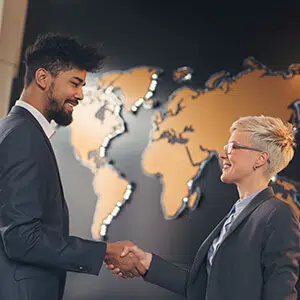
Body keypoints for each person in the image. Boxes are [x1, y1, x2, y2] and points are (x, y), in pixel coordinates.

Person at [0, 33, 145, 300]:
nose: (80, 95)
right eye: (75, 83)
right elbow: (21, 239)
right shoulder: (23, 136)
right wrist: (106, 251)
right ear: (43, 78)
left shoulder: (19, 131)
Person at [108, 115, 300, 300]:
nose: (223, 153)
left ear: (260, 159)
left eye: (233, 147)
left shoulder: (278, 213)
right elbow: (203, 288)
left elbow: (281, 290)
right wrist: (145, 262)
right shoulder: (237, 213)